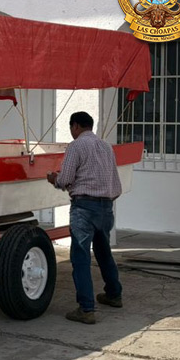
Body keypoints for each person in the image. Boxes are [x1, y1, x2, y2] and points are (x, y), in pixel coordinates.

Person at [46, 111, 123, 324]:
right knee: (103, 252)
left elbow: (66, 179)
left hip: (84, 208)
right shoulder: (106, 147)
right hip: (106, 207)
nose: (71, 133)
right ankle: (114, 294)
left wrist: (54, 179)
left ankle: (86, 309)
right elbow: (116, 184)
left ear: (76, 126)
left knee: (80, 257)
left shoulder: (76, 146)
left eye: (71, 128)